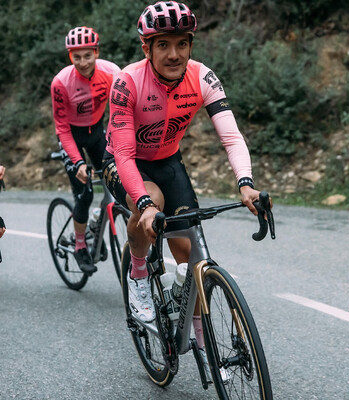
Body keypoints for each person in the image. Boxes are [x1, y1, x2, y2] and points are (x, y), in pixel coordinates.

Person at [102, 1, 267, 359]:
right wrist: (143, 205)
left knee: (190, 253)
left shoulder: (203, 77)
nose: (173, 54)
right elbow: (125, 154)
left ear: (191, 45)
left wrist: (245, 183)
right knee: (152, 200)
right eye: (163, 44)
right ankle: (139, 276)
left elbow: (231, 138)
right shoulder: (126, 81)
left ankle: (200, 339)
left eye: (181, 43)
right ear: (147, 48)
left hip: (168, 160)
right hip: (123, 162)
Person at [51, 27, 120, 275]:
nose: (82, 62)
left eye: (87, 56)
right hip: (71, 136)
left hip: (98, 131)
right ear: (70, 56)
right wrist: (79, 163)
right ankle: (80, 245)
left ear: (96, 53)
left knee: (118, 183)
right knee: (86, 193)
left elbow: (123, 111)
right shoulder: (61, 82)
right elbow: (61, 128)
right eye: (76, 57)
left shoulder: (112, 72)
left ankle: (96, 223)